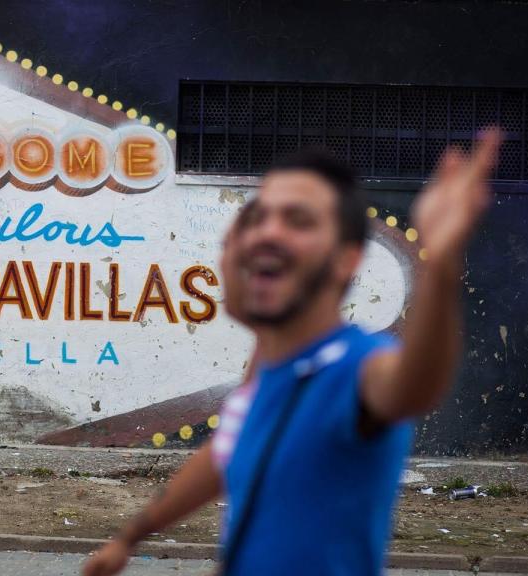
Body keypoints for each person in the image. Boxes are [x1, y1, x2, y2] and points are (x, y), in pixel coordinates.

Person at [83, 129, 503, 576]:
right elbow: (225, 453)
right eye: (258, 217)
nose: (268, 233)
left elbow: (414, 386)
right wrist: (129, 539)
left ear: (346, 258)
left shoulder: (357, 365)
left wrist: (440, 265)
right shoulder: (267, 366)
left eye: (298, 221)